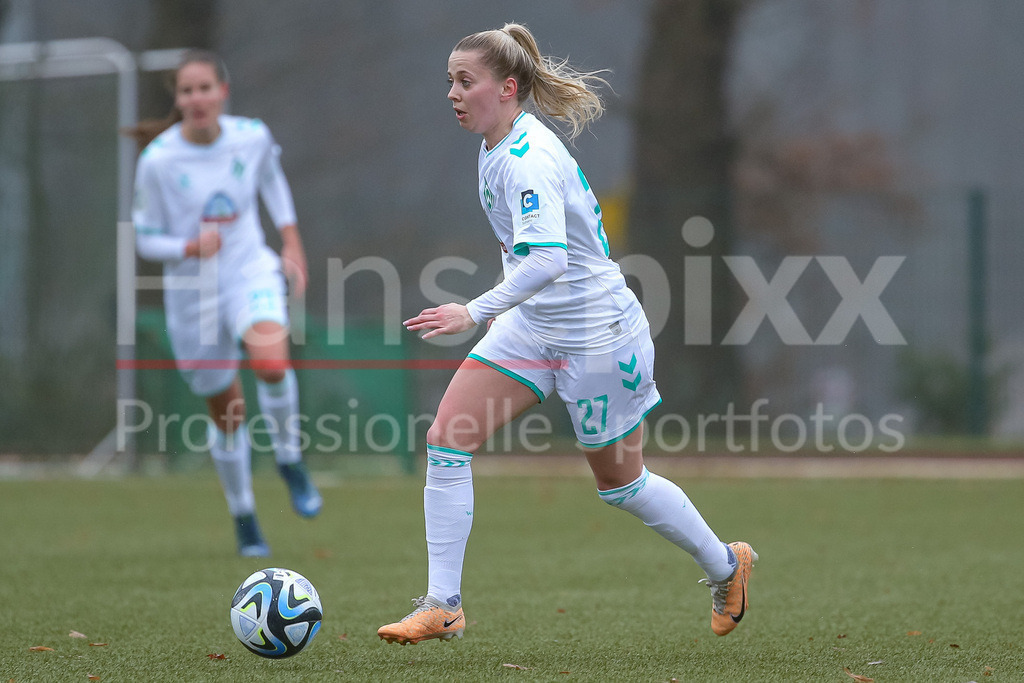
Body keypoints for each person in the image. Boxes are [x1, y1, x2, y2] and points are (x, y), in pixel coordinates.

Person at [377, 23, 756, 645]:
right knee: (447, 440)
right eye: (450, 80)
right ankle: (443, 604)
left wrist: (475, 310)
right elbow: (529, 255)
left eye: (464, 81)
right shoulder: (495, 144)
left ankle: (725, 564)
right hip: (532, 328)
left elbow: (550, 260)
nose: (453, 92)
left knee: (621, 486)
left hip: (598, 336)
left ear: (508, 87)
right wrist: (505, 311)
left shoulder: (528, 159)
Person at [129, 50, 321, 557]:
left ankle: (289, 459)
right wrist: (188, 248)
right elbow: (145, 239)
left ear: (222, 92)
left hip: (248, 270)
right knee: (228, 413)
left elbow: (271, 181)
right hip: (193, 294)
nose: (196, 99)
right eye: (186, 91)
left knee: (272, 363)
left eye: (204, 88)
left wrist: (291, 242)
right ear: (179, 99)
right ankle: (244, 516)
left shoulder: (251, 136)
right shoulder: (158, 162)